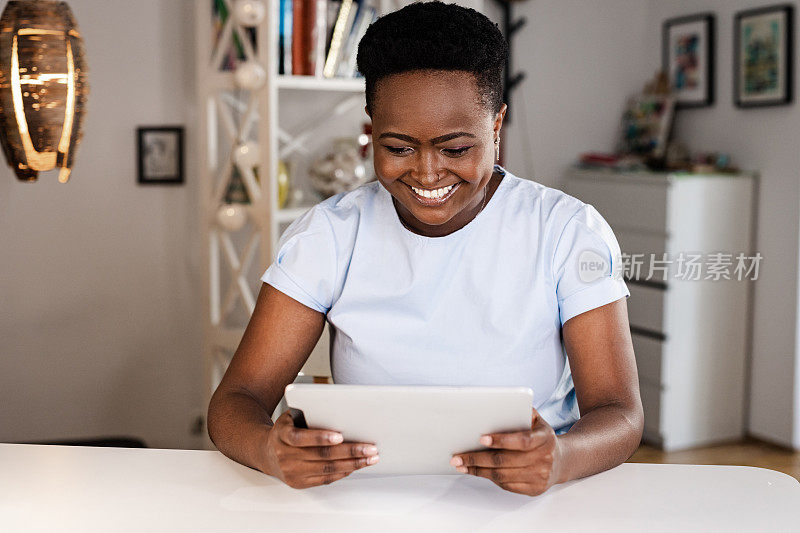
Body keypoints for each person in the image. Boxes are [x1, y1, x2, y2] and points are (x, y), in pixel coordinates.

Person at [207, 1, 643, 497]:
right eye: (397, 148)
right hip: (366, 497)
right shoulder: (329, 235)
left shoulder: (565, 230)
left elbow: (619, 414)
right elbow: (234, 402)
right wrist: (269, 448)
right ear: (370, 128)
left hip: (527, 499)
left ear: (497, 125)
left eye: (456, 148)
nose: (427, 173)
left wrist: (561, 458)